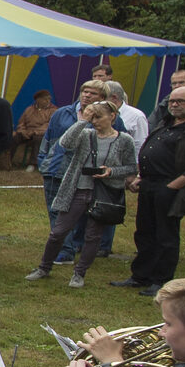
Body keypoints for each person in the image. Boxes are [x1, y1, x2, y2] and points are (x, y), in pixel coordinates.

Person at [121, 81, 185, 293]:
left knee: (166, 234)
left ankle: (161, 279)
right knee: (145, 231)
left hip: (173, 185)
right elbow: (151, 149)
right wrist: (141, 177)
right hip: (150, 182)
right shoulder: (166, 121)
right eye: (172, 101)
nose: (174, 105)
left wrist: (172, 187)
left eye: (180, 101)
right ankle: (141, 275)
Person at [26, 100, 135, 288]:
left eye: (98, 117)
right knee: (58, 232)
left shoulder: (124, 140)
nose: (95, 121)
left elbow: (131, 166)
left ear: (112, 117)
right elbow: (65, 143)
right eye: (92, 117)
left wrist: (111, 171)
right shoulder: (85, 134)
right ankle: (44, 267)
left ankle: (79, 273)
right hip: (77, 189)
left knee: (92, 236)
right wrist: (83, 121)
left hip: (103, 194)